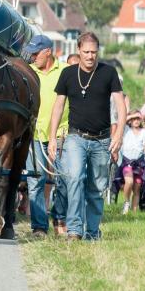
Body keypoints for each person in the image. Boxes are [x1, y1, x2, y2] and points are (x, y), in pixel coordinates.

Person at [48, 31, 126, 241]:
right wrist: (52, 136)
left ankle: (92, 231)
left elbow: (120, 105)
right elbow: (58, 106)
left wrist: (118, 135)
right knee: (74, 178)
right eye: (86, 52)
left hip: (102, 140)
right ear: (78, 51)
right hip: (76, 138)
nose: (91, 56)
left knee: (96, 188)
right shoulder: (67, 74)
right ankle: (74, 230)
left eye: (94, 52)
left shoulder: (108, 73)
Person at [24, 34, 69, 238]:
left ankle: (59, 219)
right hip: (34, 134)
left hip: (61, 134)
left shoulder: (66, 72)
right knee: (36, 181)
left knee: (63, 180)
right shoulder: (28, 71)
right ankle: (39, 227)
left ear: (48, 51)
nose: (33, 57)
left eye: (36, 53)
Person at [116, 109, 145, 215]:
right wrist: (129, 116)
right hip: (127, 162)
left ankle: (134, 212)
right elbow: (120, 123)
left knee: (137, 188)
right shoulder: (125, 129)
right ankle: (126, 202)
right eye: (133, 119)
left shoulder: (144, 132)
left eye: (138, 118)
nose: (136, 121)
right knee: (129, 182)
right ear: (130, 120)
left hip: (139, 163)